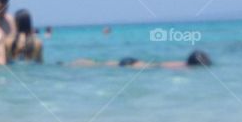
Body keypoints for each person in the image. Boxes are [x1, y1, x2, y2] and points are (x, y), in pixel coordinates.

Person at [69, 50, 212, 70]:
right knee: (100, 64)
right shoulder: (184, 68)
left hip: (136, 62)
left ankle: (79, 61)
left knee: (101, 63)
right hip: (134, 65)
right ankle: (78, 62)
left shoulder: (182, 63)